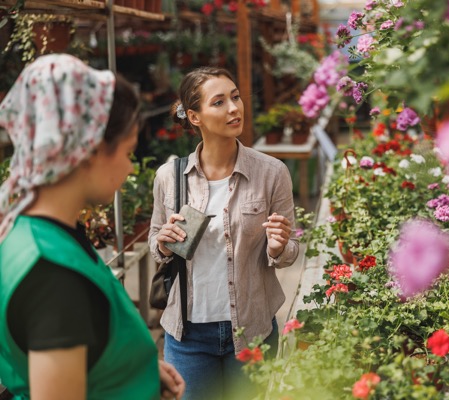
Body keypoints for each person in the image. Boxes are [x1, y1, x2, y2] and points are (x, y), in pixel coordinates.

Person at [0, 54, 185, 400]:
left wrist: (132, 369)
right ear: (88, 151)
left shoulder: (26, 231)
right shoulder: (53, 277)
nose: (131, 169)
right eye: (129, 152)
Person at [149, 67, 300, 400]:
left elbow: (291, 250)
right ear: (194, 116)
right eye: (219, 102)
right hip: (187, 335)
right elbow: (155, 243)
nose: (234, 108)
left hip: (252, 330)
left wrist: (279, 247)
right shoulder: (169, 177)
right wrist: (162, 243)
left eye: (235, 97)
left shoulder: (271, 173)